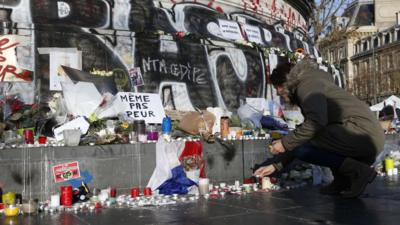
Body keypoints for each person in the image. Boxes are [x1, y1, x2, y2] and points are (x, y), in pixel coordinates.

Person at [254, 57, 384, 198]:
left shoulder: (307, 85)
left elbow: (316, 123)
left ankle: (358, 171)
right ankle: (342, 180)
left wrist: (285, 143)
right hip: (364, 135)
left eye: (277, 87)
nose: (278, 92)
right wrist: (275, 165)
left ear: (286, 83)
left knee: (304, 145)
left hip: (361, 134)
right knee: (313, 139)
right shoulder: (313, 81)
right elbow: (317, 126)